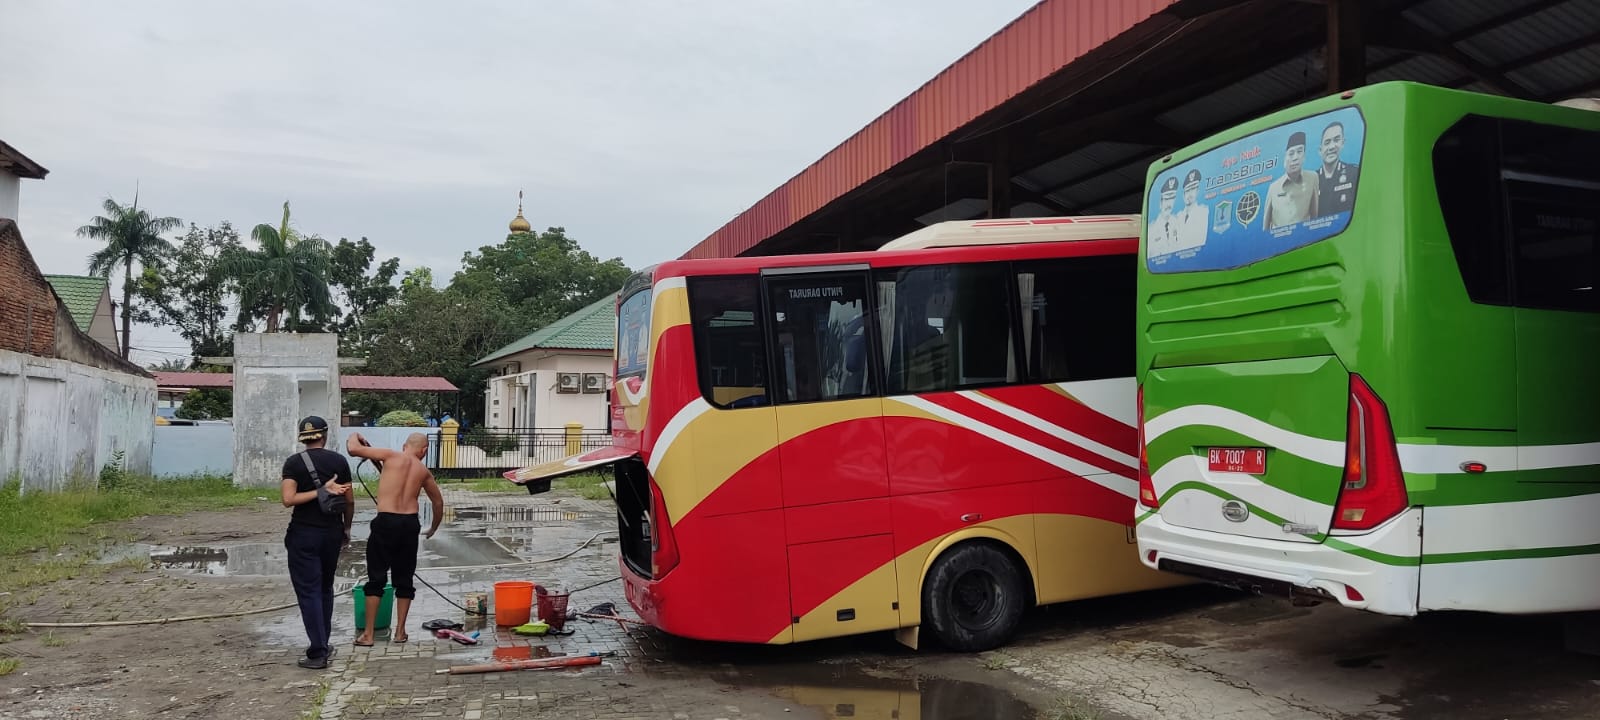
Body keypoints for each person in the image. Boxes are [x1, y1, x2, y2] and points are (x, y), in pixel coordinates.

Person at [346, 431, 444, 646]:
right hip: (409, 524)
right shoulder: (424, 471)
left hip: (385, 522)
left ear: (404, 446)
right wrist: (433, 527)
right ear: (424, 451)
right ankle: (400, 632)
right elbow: (438, 503)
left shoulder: (390, 456)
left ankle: (369, 635)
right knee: (404, 579)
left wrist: (354, 435)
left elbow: (353, 449)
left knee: (376, 577)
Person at [279, 415, 354, 670]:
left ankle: (318, 651)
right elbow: (349, 501)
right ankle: (323, 643)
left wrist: (316, 491)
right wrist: (346, 528)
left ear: (303, 437)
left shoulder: (293, 463)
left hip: (303, 535)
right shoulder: (339, 462)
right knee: (324, 588)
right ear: (325, 435)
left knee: (309, 591)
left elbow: (288, 499)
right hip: (331, 533)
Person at [1264, 130, 1319, 229]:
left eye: (1299, 152)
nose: (1295, 158)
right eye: (1291, 153)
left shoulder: (1312, 178)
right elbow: (1266, 226)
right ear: (1285, 158)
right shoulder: (1274, 187)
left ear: (1304, 155)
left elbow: (1315, 216)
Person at [1317, 121, 1360, 215]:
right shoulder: (1311, 180)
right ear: (1320, 150)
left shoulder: (1355, 174)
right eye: (1327, 142)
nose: (1332, 147)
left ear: (1342, 143)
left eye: (1336, 140)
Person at [1175, 168, 1210, 253]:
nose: (1189, 194)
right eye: (1187, 191)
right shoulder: (1177, 217)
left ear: (1197, 191)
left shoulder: (1204, 211)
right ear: (1183, 195)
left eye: (1193, 189)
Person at [1146, 175, 1181, 256]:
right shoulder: (1150, 230)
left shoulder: (1179, 223)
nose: (1169, 204)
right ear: (1160, 203)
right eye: (1166, 199)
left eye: (1172, 198)